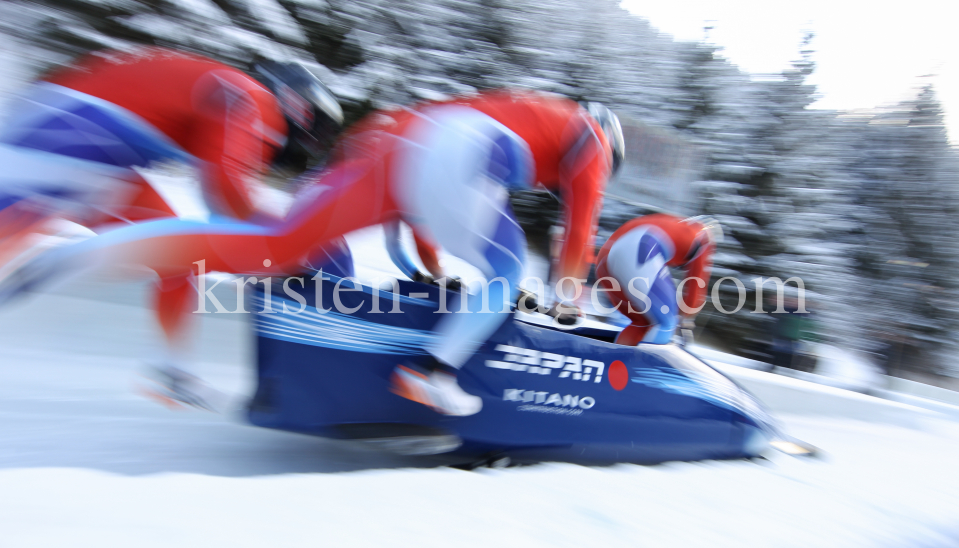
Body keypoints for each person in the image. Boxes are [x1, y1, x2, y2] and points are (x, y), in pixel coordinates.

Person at [6, 90, 624, 415]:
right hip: (459, 151)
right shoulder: (589, 135)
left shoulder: (522, 109)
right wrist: (567, 308)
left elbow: (429, 196)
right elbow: (578, 229)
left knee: (273, 247)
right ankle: (432, 373)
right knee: (509, 265)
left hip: (399, 141)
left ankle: (82, 253)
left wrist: (429, 272)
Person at [0, 47, 344, 404]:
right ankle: (66, 257)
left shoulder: (226, 89)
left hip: (80, 135)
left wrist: (254, 251)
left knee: (179, 253)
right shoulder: (253, 96)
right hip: (79, 130)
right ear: (298, 105)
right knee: (178, 244)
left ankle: (169, 370)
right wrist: (285, 244)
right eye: (311, 133)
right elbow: (226, 186)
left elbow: (219, 202)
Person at [594, 214, 720, 346]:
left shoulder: (676, 224)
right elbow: (696, 286)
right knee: (667, 322)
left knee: (643, 322)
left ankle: (615, 361)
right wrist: (686, 320)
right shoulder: (704, 238)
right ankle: (639, 364)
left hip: (605, 258)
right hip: (640, 246)